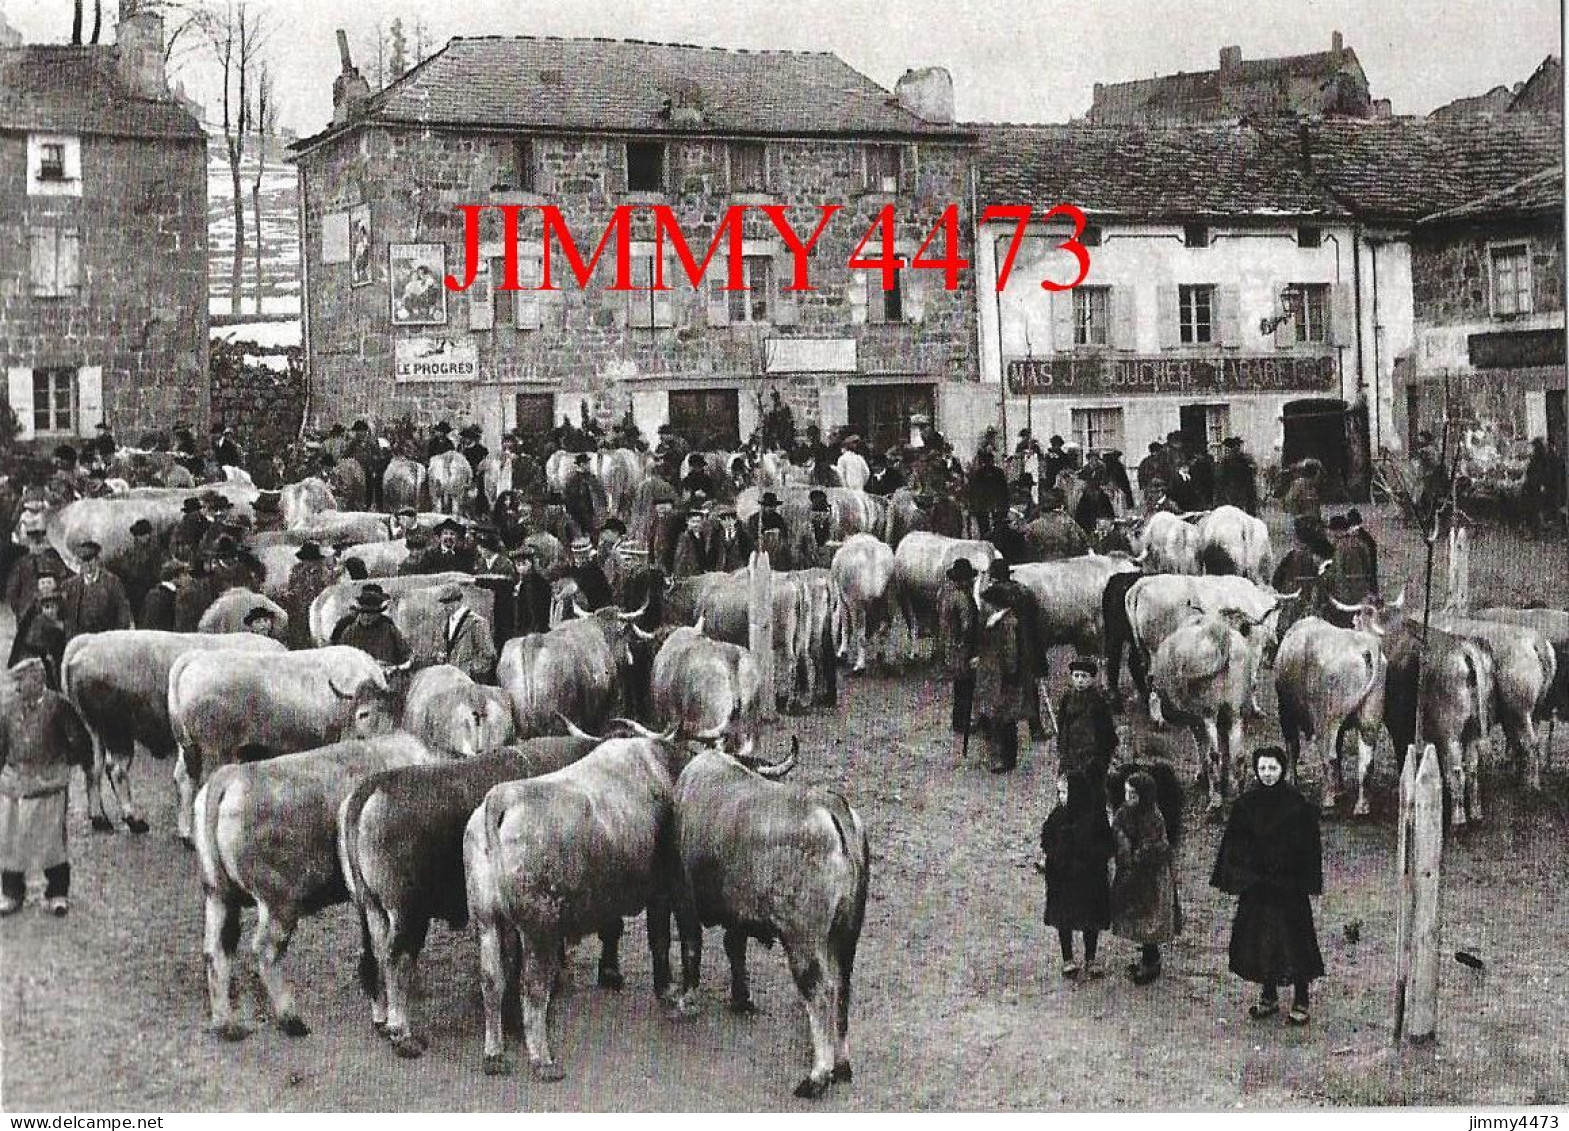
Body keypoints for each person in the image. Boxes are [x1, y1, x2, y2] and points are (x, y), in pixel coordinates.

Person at [1211, 746, 1326, 1026]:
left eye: (1272, 768)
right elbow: (1233, 846)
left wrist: (1303, 880)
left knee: (1294, 942)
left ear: (1282, 769)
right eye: (1262, 769)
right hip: (1259, 889)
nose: (1267, 774)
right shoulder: (1246, 805)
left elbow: (1310, 850)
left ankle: (1301, 998)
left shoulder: (1298, 806)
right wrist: (1241, 874)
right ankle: (1269, 994)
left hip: (1288, 889)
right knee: (1260, 942)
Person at [0, 658, 94, 917]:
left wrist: (65, 766)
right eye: (16, 683)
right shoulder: (8, 709)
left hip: (49, 785)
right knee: (11, 842)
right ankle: (11, 892)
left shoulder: (58, 707)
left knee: (51, 842)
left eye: (22, 682)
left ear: (38, 680)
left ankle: (57, 893)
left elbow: (81, 741)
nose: (17, 688)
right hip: (14, 784)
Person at [1037, 770, 1115, 980]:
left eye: (1064, 792)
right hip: (1063, 877)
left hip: (1090, 878)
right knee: (1065, 919)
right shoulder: (1057, 815)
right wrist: (1057, 856)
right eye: (1059, 792)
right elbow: (1046, 839)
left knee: (1091, 920)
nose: (1061, 797)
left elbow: (1107, 844)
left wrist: (1091, 856)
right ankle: (1068, 958)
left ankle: (1091, 958)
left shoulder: (1095, 817)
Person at [1111, 769, 1183, 985]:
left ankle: (1152, 960)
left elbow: (1156, 846)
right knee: (1136, 914)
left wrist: (1137, 854)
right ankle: (1146, 956)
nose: (1128, 798)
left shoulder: (1154, 816)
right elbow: (1117, 829)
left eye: (1133, 794)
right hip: (1132, 871)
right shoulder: (1123, 812)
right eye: (1126, 793)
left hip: (1151, 875)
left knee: (1150, 916)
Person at [974, 580, 1028, 774]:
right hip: (993, 675)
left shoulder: (1007, 623)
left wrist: (1010, 674)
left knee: (1004, 718)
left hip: (1003, 677)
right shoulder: (996, 621)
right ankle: (1002, 756)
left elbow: (1011, 653)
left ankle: (1006, 758)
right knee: (998, 716)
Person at [937, 559, 979, 764]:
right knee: (966, 687)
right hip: (963, 649)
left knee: (959, 687)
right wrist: (971, 650)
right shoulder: (963, 598)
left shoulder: (946, 594)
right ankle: (963, 721)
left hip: (950, 648)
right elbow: (967, 626)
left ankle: (958, 720)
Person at [1055, 658, 1117, 788]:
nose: (1080, 680)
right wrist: (1061, 747)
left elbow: (1107, 733)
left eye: (1084, 676)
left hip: (1091, 755)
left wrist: (1103, 758)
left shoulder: (1098, 702)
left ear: (1091, 679)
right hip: (1070, 754)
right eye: (1076, 676)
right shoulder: (1067, 699)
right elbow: (1061, 725)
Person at [60, 541, 132, 640]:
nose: (88, 565)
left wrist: (117, 637)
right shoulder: (71, 585)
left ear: (97, 560)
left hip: (106, 637)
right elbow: (67, 616)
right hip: (81, 638)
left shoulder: (112, 582)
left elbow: (123, 610)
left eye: (91, 560)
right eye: (84, 561)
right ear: (80, 562)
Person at [330, 585, 412, 671]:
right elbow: (338, 658)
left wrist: (395, 668)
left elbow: (408, 656)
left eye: (372, 613)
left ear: (379, 614)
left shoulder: (389, 629)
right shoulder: (349, 632)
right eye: (364, 613)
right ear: (359, 612)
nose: (367, 617)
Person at [9, 574, 68, 689]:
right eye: (43, 583)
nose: (46, 586)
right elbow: (24, 635)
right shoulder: (33, 610)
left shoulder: (63, 602)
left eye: (49, 583)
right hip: (41, 651)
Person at [439, 584, 497, 683]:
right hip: (451, 679)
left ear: (460, 601)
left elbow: (488, 654)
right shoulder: (447, 622)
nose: (446, 606)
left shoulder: (476, 622)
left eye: (450, 601)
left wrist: (470, 670)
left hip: (470, 681)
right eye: (444, 602)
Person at [6, 528, 66, 618]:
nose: (37, 546)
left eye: (40, 543)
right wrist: (20, 609)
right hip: (27, 610)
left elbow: (63, 583)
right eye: (34, 543)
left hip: (50, 609)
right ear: (29, 544)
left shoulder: (53, 562)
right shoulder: (21, 564)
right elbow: (12, 591)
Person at [967, 449, 1009, 539]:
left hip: (995, 506)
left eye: (990, 460)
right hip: (984, 506)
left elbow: (1004, 491)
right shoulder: (978, 474)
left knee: (997, 530)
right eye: (986, 461)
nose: (988, 463)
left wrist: (1004, 506)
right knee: (984, 529)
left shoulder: (998, 473)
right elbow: (974, 491)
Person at [512, 547, 553, 637]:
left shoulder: (536, 583)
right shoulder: (521, 582)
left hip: (535, 629)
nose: (521, 567)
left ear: (530, 563)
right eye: (518, 565)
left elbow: (536, 609)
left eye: (523, 564)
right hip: (525, 628)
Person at [1214, 437, 1260, 515]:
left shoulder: (1229, 460)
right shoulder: (1244, 459)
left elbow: (1220, 477)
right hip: (1238, 491)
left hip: (1236, 491)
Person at [140, 560, 186, 632]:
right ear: (175, 577)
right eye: (184, 574)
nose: (186, 578)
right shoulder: (171, 597)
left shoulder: (151, 594)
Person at [672, 507, 713, 579]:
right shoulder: (684, 537)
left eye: (698, 522)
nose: (695, 525)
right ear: (687, 522)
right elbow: (679, 557)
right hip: (689, 574)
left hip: (702, 574)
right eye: (693, 522)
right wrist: (677, 574)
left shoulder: (704, 536)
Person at [711, 506, 753, 572]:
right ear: (721, 522)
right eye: (724, 519)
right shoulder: (716, 535)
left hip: (739, 569)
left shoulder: (743, 535)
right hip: (721, 570)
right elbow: (713, 553)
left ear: (735, 520)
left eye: (731, 519)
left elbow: (749, 552)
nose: (728, 523)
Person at [1282, 459, 1324, 523]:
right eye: (1319, 472)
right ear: (1315, 473)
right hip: (1301, 523)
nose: (1321, 476)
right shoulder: (1299, 485)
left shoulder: (1313, 487)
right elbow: (1289, 503)